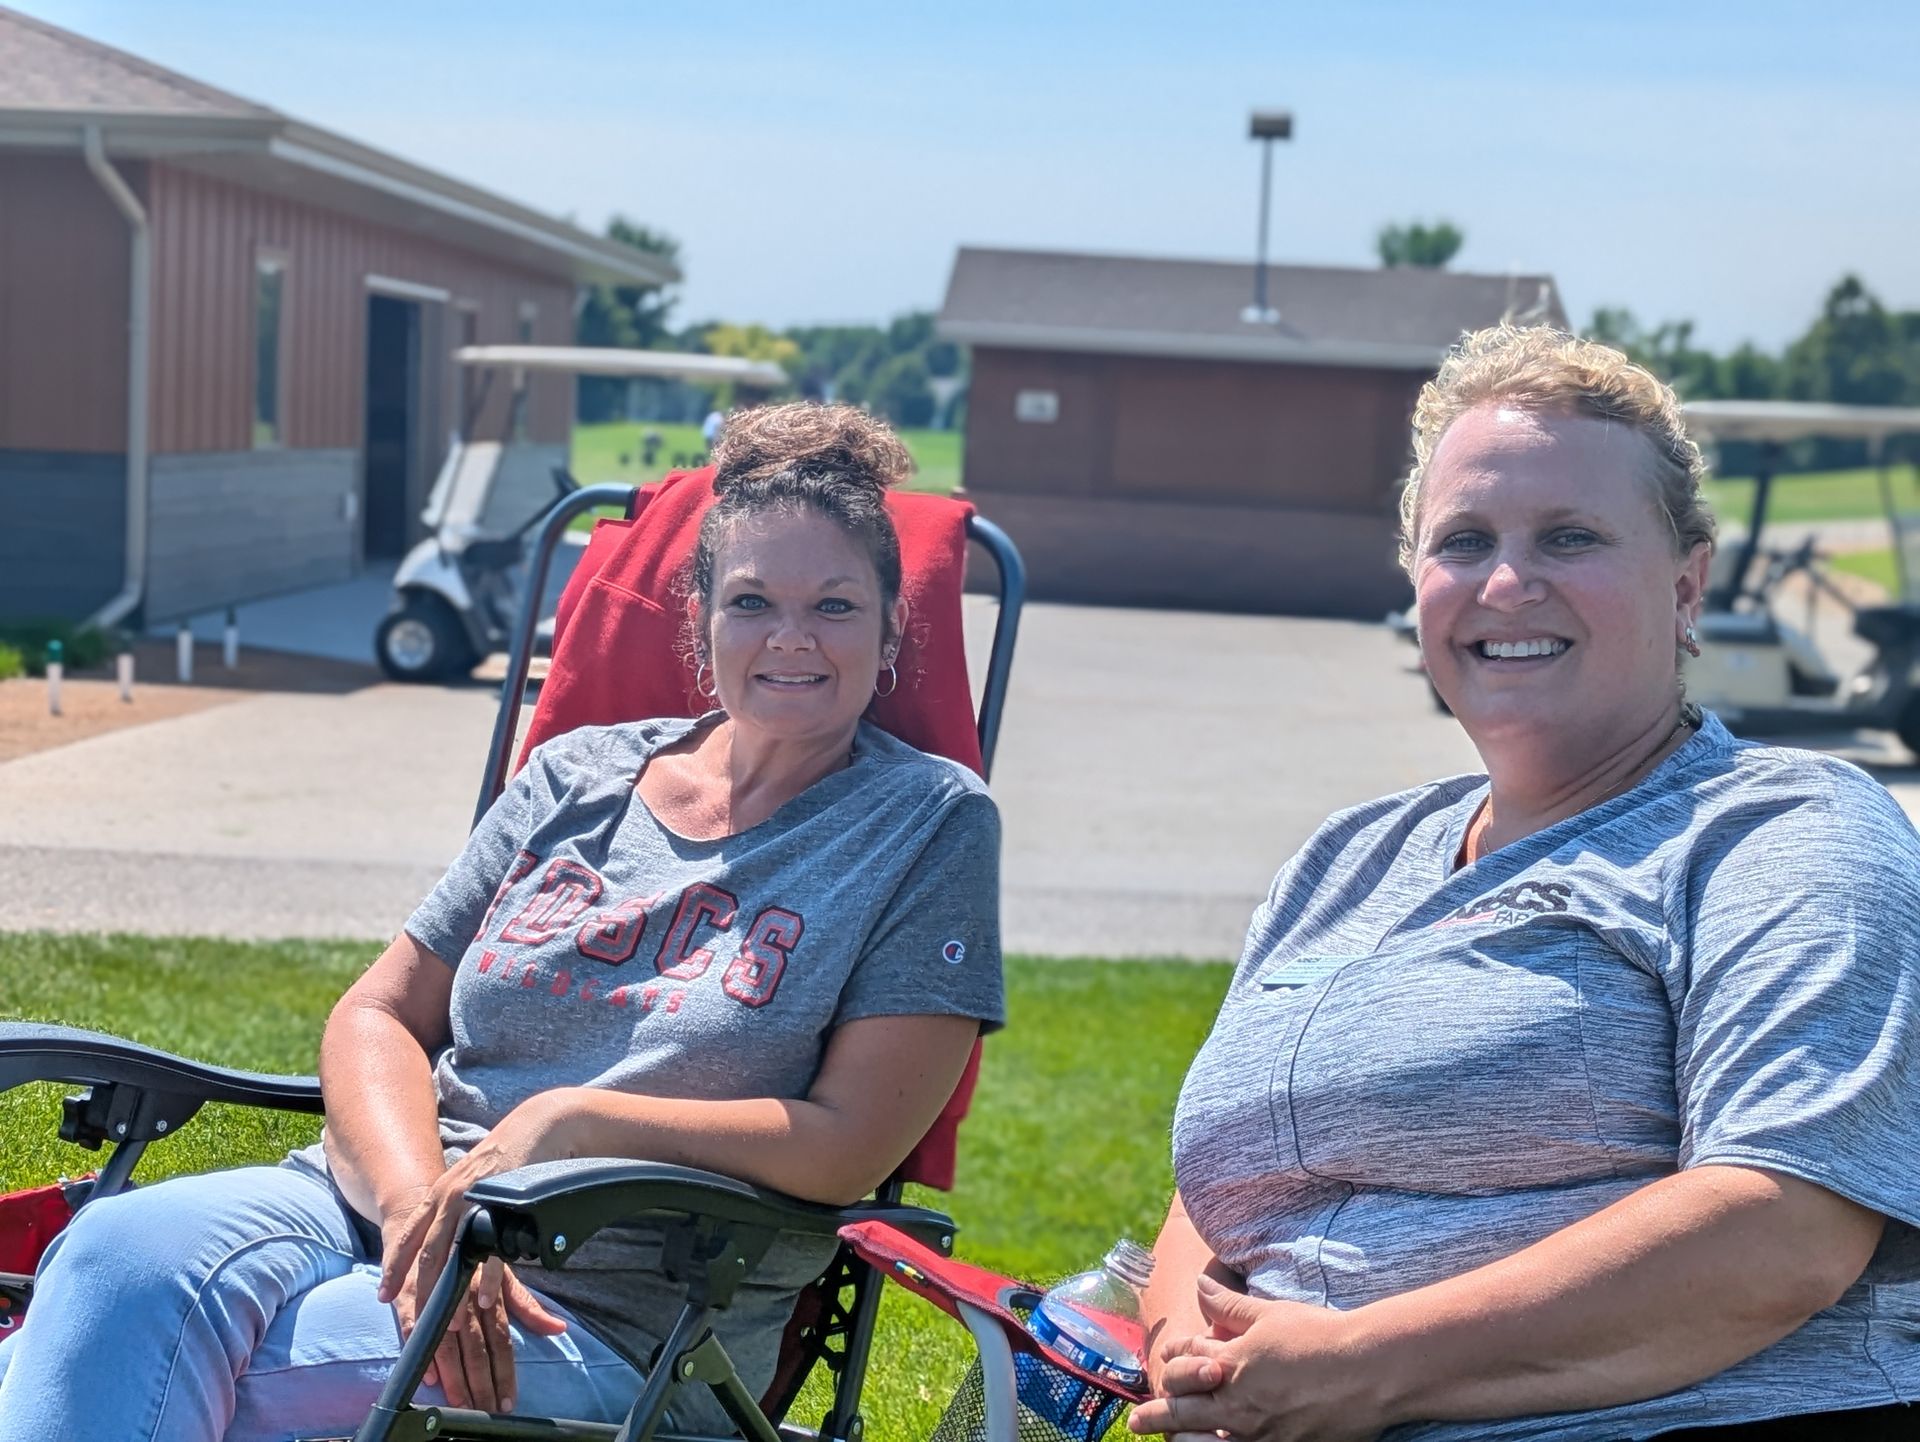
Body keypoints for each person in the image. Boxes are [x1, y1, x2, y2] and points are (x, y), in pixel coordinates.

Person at [0, 403, 1004, 1442]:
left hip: (621, 1303)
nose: (791, 638)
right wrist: (416, 1204)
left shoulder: (928, 823)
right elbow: (380, 1012)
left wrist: (574, 1121)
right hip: (384, 1200)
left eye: (834, 606)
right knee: (114, 1253)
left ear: (893, 629)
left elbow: (848, 1144)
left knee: (157, 1368)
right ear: (700, 619)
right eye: (752, 600)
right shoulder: (582, 772)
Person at [1132, 326, 1920, 1442]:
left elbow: (1784, 1224)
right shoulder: (1344, 857)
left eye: (1571, 536)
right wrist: (1191, 1361)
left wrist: (1365, 1365)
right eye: (1464, 539)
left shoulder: (1784, 830)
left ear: (1687, 580)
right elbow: (1220, 1185)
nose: (1508, 582)